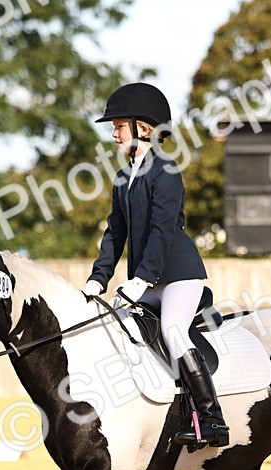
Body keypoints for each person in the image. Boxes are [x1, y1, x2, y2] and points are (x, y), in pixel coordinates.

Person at [84, 82, 229, 449]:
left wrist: (141, 279)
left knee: (173, 331)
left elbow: (163, 232)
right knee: (114, 326)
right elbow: (115, 232)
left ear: (142, 128)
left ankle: (212, 419)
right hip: (146, 280)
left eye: (118, 126)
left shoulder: (166, 170)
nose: (114, 134)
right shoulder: (123, 177)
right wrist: (97, 279)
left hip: (178, 274)